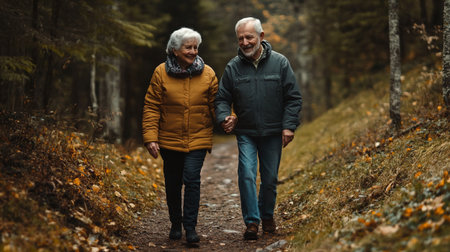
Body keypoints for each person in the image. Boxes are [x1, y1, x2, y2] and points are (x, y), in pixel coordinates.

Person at [215, 17, 302, 240]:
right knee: (246, 174)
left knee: (270, 178)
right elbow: (222, 98)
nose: (244, 42)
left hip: (273, 132)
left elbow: (293, 98)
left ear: (261, 37)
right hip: (246, 132)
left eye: (249, 37)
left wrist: (288, 126)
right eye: (240, 38)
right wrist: (225, 116)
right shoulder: (233, 67)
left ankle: (267, 216)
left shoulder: (280, 63)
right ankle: (252, 222)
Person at [142, 27, 218, 243]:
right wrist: (150, 137)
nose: (193, 51)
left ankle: (190, 228)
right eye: (188, 47)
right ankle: (175, 223)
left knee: (192, 179)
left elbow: (216, 104)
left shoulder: (208, 73)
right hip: (169, 138)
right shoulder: (160, 72)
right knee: (173, 182)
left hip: (199, 136)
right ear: (175, 50)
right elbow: (151, 106)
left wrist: (227, 118)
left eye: (195, 47)